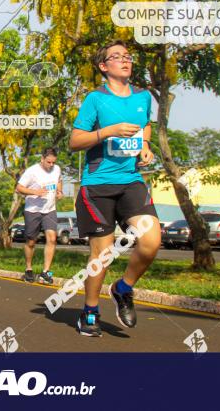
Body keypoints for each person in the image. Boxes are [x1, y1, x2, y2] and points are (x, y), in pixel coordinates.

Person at [69, 40, 160, 337]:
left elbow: (145, 125)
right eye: (117, 57)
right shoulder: (95, 100)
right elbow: (75, 141)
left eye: (128, 56)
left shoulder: (144, 97)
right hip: (97, 186)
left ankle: (123, 288)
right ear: (104, 66)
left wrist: (145, 145)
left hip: (131, 180)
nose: (125, 60)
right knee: (103, 254)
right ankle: (90, 311)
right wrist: (108, 131)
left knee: (151, 241)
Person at [15, 148, 63, 285]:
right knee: (31, 241)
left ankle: (46, 272)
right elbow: (19, 188)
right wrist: (34, 192)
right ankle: (29, 269)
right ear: (42, 159)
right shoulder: (31, 171)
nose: (51, 165)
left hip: (49, 209)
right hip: (33, 210)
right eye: (49, 162)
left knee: (52, 239)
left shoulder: (57, 169)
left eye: (53, 162)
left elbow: (59, 180)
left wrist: (59, 191)